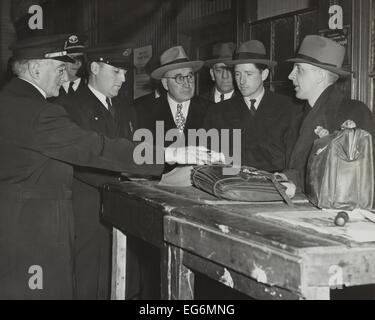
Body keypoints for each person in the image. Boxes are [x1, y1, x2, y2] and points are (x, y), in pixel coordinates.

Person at [0, 34, 221, 300]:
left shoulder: (13, 101)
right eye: (60, 69)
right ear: (35, 69)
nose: (65, 76)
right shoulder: (39, 112)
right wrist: (170, 152)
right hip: (35, 232)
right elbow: (97, 148)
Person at [57, 44, 136, 299]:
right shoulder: (69, 106)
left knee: (122, 277)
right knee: (89, 278)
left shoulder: (126, 108)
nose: (123, 79)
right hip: (88, 209)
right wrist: (125, 179)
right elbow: (82, 161)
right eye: (116, 72)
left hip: (123, 207)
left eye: (124, 73)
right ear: (94, 68)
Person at [284, 35, 375, 193]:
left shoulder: (355, 113)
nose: (290, 75)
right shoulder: (297, 117)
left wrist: (296, 184)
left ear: (320, 75)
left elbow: (358, 179)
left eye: (299, 69)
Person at [204, 40, 303, 172]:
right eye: (238, 74)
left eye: (249, 74)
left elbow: (288, 159)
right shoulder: (217, 111)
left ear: (264, 74)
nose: (241, 81)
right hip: (231, 185)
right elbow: (212, 158)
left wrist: (235, 158)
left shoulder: (288, 108)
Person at [139, 45, 211, 173]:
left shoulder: (212, 110)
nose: (187, 83)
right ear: (165, 84)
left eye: (190, 76)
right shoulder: (144, 112)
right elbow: (142, 158)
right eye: (179, 78)